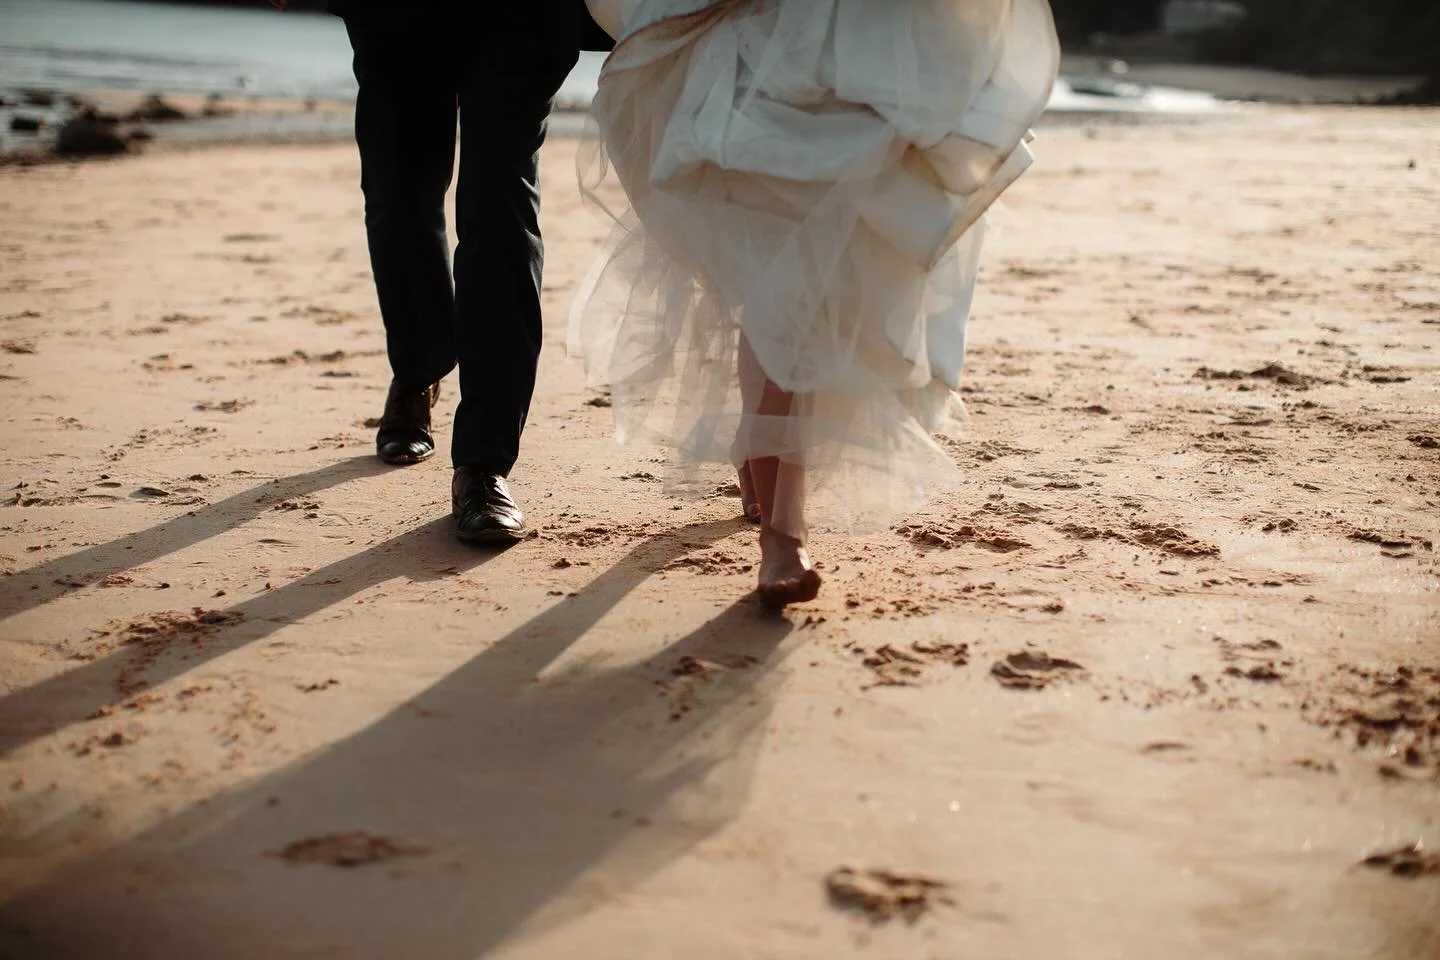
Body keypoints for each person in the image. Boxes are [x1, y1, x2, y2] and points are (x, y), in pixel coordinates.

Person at [571, 0, 1059, 606]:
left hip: (865, 54)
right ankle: (783, 534)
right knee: (769, 283)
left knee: (804, 287)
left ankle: (769, 479)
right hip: (752, 48)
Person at [270, 0, 613, 544]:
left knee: (500, 204)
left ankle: (484, 465)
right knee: (398, 193)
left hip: (526, 13)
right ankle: (417, 369)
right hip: (397, 13)